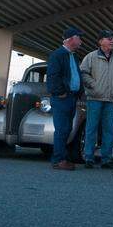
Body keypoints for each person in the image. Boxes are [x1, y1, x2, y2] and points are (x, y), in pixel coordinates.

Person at [80, 30, 113, 168]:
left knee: (109, 130)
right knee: (91, 129)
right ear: (100, 41)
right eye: (109, 38)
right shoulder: (90, 57)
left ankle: (106, 159)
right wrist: (94, 86)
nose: (112, 40)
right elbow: (83, 73)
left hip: (110, 100)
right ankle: (89, 158)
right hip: (94, 99)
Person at [46, 26, 84, 170]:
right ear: (71, 39)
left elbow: (74, 75)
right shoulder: (57, 55)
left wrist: (78, 93)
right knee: (62, 129)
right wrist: (60, 92)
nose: (81, 41)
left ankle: (62, 157)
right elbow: (53, 76)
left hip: (71, 98)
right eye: (79, 38)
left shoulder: (73, 56)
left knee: (67, 129)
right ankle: (58, 160)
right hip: (62, 98)